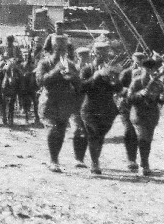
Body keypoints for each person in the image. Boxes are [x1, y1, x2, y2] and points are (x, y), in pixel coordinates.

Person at [35, 35, 80, 173]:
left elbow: (78, 85)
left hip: (64, 104)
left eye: (64, 48)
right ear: (53, 48)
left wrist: (73, 76)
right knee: (52, 129)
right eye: (59, 48)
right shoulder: (44, 63)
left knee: (60, 133)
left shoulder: (70, 64)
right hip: (48, 102)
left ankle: (55, 158)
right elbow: (40, 81)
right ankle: (53, 160)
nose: (62, 51)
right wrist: (56, 70)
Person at [78, 41, 122, 174]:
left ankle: (95, 160)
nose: (102, 55)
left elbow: (118, 88)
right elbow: (80, 88)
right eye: (99, 52)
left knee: (100, 136)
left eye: (104, 52)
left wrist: (115, 80)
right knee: (94, 134)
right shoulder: (87, 69)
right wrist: (95, 77)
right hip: (90, 109)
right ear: (94, 53)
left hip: (107, 110)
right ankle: (95, 163)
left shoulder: (111, 69)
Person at [127, 54, 164, 176]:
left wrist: (163, 98)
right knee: (143, 138)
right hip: (138, 115)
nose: (149, 72)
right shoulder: (136, 82)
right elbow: (129, 99)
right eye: (147, 69)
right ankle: (145, 164)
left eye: (152, 69)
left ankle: (144, 162)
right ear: (142, 69)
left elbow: (160, 100)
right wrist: (140, 94)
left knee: (147, 139)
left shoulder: (158, 83)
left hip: (152, 115)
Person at [118, 51, 146, 171]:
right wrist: (130, 91)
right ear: (132, 61)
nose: (137, 64)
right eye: (136, 62)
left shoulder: (146, 74)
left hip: (141, 106)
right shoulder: (126, 73)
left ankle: (144, 162)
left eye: (140, 62)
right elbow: (118, 88)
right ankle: (131, 159)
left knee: (143, 134)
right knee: (129, 131)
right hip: (126, 106)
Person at [70, 47, 91, 167]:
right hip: (76, 104)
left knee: (87, 131)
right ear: (77, 56)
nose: (84, 58)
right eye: (81, 55)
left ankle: (81, 158)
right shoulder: (74, 69)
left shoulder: (90, 70)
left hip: (89, 104)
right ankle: (78, 159)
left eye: (86, 55)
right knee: (78, 130)